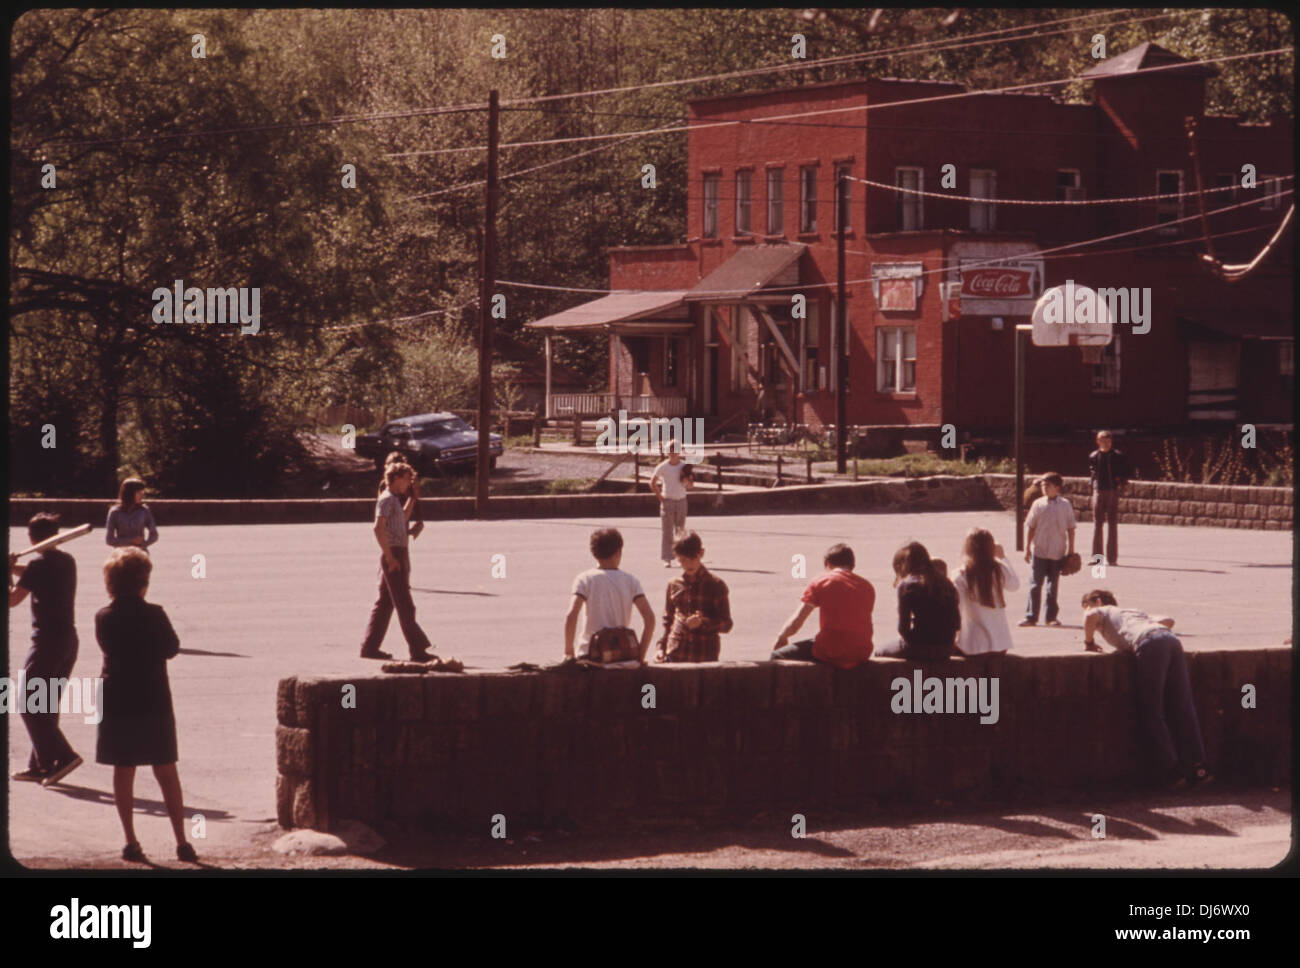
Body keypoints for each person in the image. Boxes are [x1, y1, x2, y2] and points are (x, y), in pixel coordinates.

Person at [95, 547, 198, 862]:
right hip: (153, 696)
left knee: (123, 770)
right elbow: (171, 648)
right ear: (144, 581)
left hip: (116, 698)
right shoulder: (155, 613)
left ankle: (131, 840)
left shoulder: (103, 616)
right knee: (166, 769)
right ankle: (182, 841)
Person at [1081, 589, 1212, 790]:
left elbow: (1090, 616)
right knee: (1183, 707)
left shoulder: (1105, 610)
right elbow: (1169, 620)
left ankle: (1172, 773)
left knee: (1152, 711)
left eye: (1086, 606)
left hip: (1149, 644)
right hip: (1171, 640)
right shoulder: (1131, 612)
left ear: (1097, 601)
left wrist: (1089, 642)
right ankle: (1199, 769)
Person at [8, 513, 83, 786]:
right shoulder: (66, 560)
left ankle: (64, 757)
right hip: (67, 642)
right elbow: (33, 571)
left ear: (31, 537)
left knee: (29, 702)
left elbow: (12, 600)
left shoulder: (39, 566)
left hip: (48, 642)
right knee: (45, 704)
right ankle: (41, 764)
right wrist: (14, 568)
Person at [359, 461, 436, 661]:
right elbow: (378, 528)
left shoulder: (394, 499)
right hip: (393, 554)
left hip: (396, 552)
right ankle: (418, 650)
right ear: (396, 478)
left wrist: (412, 498)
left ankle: (369, 647)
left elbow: (401, 520)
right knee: (405, 605)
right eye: (407, 480)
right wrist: (390, 558)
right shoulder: (386, 499)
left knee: (385, 604)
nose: (408, 483)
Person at [771, 543, 874, 668]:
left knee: (778, 656)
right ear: (853, 566)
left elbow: (797, 621)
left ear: (827, 564)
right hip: (862, 651)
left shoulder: (822, 581)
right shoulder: (867, 586)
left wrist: (782, 636)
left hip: (830, 649)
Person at [564, 528, 655, 664]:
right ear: (619, 552)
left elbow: (571, 615)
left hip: (590, 655)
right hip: (622, 656)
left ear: (593, 553)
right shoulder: (631, 581)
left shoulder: (585, 579)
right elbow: (650, 619)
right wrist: (640, 655)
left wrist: (568, 652)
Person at [654, 531, 732, 663]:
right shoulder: (674, 585)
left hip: (703, 655)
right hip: (676, 653)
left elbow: (727, 624)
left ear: (701, 553)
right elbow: (668, 621)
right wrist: (661, 648)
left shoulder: (716, 585)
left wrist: (703, 623)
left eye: (692, 559)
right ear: (677, 557)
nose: (688, 564)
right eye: (683, 560)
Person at [876, 542, 961, 659]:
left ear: (904, 564)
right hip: (946, 648)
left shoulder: (906, 585)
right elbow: (957, 624)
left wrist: (915, 642)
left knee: (879, 651)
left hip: (920, 647)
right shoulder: (947, 583)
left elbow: (902, 629)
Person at [1020, 472, 1076, 628]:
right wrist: (1026, 548)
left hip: (1057, 552)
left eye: (1048, 485)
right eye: (1043, 485)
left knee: (1053, 586)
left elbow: (1071, 529)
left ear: (1057, 487)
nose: (1044, 488)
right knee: (1035, 584)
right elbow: (1031, 526)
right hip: (1039, 550)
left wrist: (1071, 551)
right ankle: (1031, 616)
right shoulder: (1038, 504)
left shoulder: (1065, 505)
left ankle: (1051, 617)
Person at [953, 528, 1019, 656]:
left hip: (973, 644)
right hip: (1000, 643)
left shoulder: (961, 575)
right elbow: (1014, 585)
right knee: (993, 675)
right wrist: (1003, 557)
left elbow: (957, 609)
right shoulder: (999, 569)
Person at [1088, 430, 1130, 566]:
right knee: (1097, 525)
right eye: (1102, 440)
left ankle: (1112, 559)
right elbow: (1092, 473)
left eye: (1108, 440)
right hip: (1098, 491)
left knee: (1112, 524)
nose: (1105, 443)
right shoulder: (1094, 456)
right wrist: (1093, 487)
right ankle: (1097, 559)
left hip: (1112, 491)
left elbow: (1124, 473)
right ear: (1097, 441)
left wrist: (1122, 485)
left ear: (1111, 442)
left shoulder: (1118, 456)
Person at [651, 442, 694, 567]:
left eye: (675, 450)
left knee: (680, 531)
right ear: (667, 451)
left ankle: (682, 557)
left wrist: (687, 480)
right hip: (668, 500)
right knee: (667, 531)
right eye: (671, 450)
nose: (673, 452)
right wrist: (660, 497)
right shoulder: (663, 467)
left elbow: (691, 485)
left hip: (681, 500)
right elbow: (653, 482)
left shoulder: (684, 466)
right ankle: (667, 558)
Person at [379, 451, 424, 539]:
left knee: (402, 548)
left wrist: (419, 521)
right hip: (389, 523)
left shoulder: (407, 483)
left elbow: (415, 499)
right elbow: (380, 507)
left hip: (404, 521)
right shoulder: (384, 485)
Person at [105, 478, 159, 550]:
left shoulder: (144, 511)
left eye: (142, 492)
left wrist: (143, 544)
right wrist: (130, 541)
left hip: (140, 552)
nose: (142, 495)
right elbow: (109, 540)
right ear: (129, 493)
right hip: (121, 553)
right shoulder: (115, 512)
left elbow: (154, 535)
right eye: (139, 492)